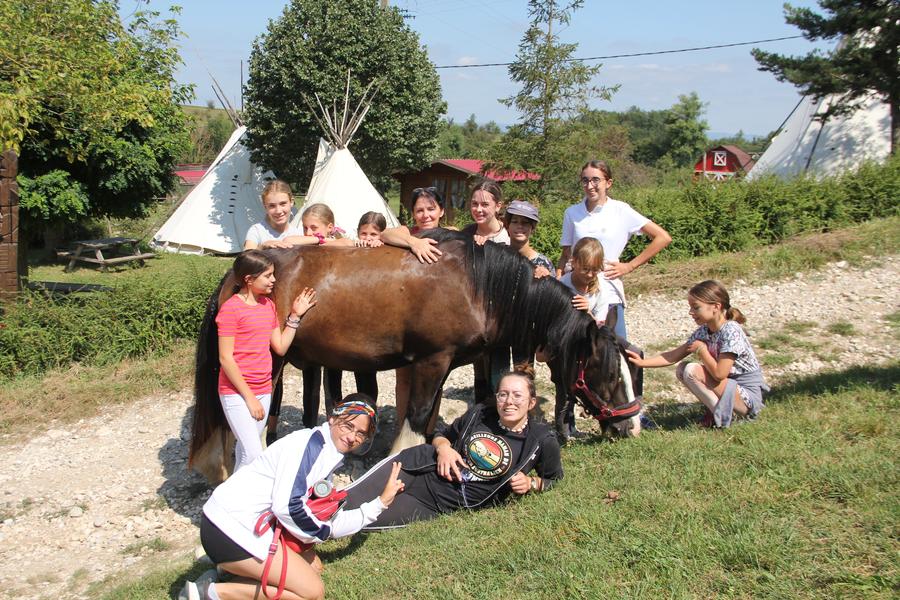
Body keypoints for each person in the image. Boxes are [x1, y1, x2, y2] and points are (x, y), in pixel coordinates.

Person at [183, 398, 406, 600]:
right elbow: (288, 508)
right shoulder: (310, 447)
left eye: (360, 433)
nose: (351, 437)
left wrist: (380, 503)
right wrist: (323, 532)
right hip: (226, 529)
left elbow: (326, 519)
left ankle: (227, 571)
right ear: (332, 417)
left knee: (314, 567)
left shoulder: (327, 453)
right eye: (348, 425)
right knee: (312, 592)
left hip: (237, 523)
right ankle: (209, 593)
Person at [342, 366, 562, 529]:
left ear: (532, 402)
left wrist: (531, 483)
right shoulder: (480, 414)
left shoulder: (540, 439)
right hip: (416, 468)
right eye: (503, 394)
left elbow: (554, 479)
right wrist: (444, 449)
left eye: (517, 395)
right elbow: (440, 436)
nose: (509, 402)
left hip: (434, 505)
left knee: (362, 522)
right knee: (345, 501)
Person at [216, 250, 317, 471]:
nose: (273, 280)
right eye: (268, 275)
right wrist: (249, 398)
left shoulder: (268, 305)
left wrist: (295, 316)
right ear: (249, 280)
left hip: (263, 389)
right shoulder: (231, 309)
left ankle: (237, 493)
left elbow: (280, 347)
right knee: (253, 453)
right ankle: (231, 493)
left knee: (245, 451)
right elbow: (226, 358)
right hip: (237, 392)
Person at [627, 280, 768, 428]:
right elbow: (672, 356)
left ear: (716, 307)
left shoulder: (731, 331)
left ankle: (723, 417)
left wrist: (702, 350)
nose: (691, 312)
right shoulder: (704, 331)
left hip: (747, 397)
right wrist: (642, 363)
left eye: (696, 307)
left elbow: (720, 374)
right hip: (730, 388)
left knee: (691, 371)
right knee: (682, 369)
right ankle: (720, 414)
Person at [558, 160, 671, 339]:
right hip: (576, 292)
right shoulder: (572, 213)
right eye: (585, 180)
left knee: (614, 348)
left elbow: (663, 237)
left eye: (596, 180)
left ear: (608, 183)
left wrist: (629, 266)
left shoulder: (621, 210)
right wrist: (558, 282)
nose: (590, 186)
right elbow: (566, 254)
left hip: (608, 292)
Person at [298, 204, 355, 431]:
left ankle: (334, 422)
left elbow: (347, 243)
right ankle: (308, 424)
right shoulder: (303, 248)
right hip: (311, 323)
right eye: (305, 228)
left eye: (314, 228)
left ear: (330, 227)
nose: (308, 233)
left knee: (333, 377)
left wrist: (318, 241)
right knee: (309, 379)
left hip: (333, 325)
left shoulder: (337, 244)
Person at [243, 180, 319, 250]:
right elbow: (246, 257)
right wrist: (262, 247)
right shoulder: (257, 231)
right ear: (265, 207)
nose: (278, 211)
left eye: (283, 204)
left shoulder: (300, 232)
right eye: (272, 206)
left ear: (291, 202)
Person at [379, 186, 445, 264]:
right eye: (419, 211)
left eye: (431, 209)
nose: (425, 215)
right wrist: (415, 242)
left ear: (441, 212)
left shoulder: (449, 233)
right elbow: (384, 233)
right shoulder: (409, 232)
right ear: (413, 214)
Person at [504, 199, 553, 279]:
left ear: (533, 228)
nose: (519, 226)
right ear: (507, 225)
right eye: (515, 222)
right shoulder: (500, 255)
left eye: (525, 223)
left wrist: (547, 278)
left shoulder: (544, 264)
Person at [462, 179, 510, 245]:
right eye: (475, 203)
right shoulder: (465, 235)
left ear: (498, 206)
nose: (478, 209)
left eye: (485, 204)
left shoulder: (509, 235)